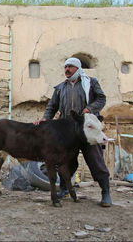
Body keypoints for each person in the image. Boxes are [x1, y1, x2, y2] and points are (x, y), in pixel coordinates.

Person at [34, 57, 112, 207]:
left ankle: (105, 192)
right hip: (67, 132)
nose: (67, 70)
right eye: (65, 67)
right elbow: (52, 106)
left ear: (77, 68)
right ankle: (64, 189)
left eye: (70, 67)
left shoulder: (91, 82)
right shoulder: (60, 88)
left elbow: (101, 99)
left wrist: (90, 108)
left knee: (95, 159)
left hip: (87, 129)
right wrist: (45, 119)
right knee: (65, 160)